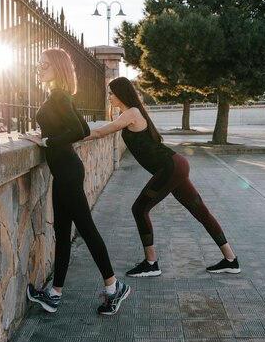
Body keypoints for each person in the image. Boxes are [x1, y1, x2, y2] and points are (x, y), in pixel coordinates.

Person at [85, 77, 240, 277]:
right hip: (175, 165)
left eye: (111, 93)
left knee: (139, 209)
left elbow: (99, 132)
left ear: (122, 93)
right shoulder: (132, 113)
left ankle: (151, 263)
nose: (109, 97)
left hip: (171, 167)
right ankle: (231, 260)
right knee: (200, 211)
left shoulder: (131, 112)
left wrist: (66, 137)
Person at [23, 49, 130, 315]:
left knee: (87, 230)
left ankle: (113, 288)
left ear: (56, 68)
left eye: (44, 65)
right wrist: (46, 134)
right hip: (64, 172)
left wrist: (47, 141)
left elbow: (80, 130)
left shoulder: (59, 96)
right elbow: (70, 126)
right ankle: (55, 294)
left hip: (69, 172)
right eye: (38, 65)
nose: (39, 69)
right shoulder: (57, 95)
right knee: (63, 233)